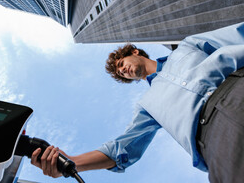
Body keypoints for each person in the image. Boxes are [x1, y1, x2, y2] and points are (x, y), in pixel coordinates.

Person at [31, 23, 244, 183]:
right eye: (121, 73)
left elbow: (237, 35)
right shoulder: (147, 106)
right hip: (217, 142)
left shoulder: (186, 47)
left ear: (135, 52)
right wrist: (71, 162)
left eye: (121, 64)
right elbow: (120, 149)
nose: (123, 70)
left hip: (236, 88)